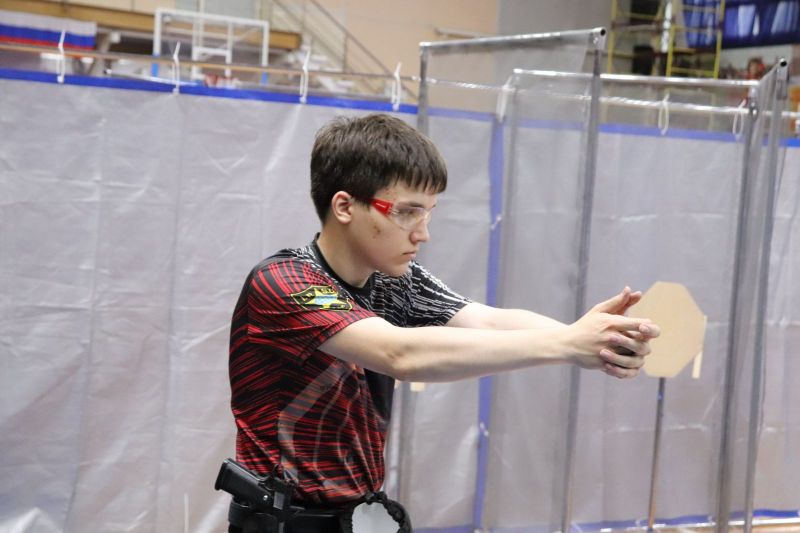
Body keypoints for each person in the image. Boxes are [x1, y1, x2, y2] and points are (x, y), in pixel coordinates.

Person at [226, 113, 660, 532]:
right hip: (281, 522)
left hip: (356, 517)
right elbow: (399, 353)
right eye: (406, 212)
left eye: (428, 213)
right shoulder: (284, 281)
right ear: (344, 206)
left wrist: (591, 337)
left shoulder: (395, 281)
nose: (422, 233)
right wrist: (568, 345)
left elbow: (488, 322)